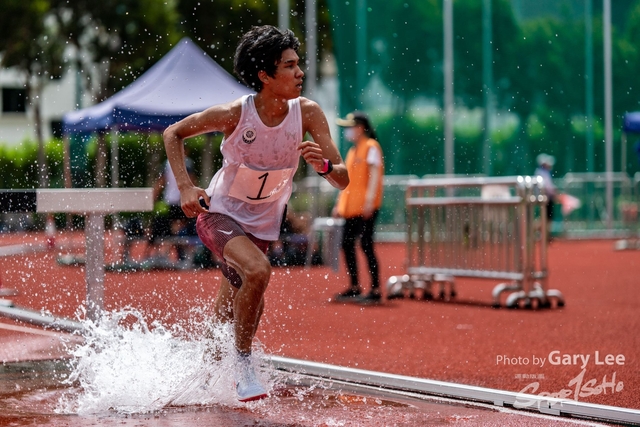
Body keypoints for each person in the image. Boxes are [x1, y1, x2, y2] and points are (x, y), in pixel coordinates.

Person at [162, 25, 349, 402]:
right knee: (259, 272)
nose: (300, 73)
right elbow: (173, 133)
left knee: (233, 299)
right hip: (220, 214)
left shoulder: (308, 113)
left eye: (299, 65)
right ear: (265, 75)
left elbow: (343, 179)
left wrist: (325, 167)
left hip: (262, 225)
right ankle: (243, 364)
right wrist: (185, 186)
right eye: (290, 66)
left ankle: (203, 379)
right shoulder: (236, 114)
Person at [332, 112, 384, 305]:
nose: (348, 131)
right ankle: (354, 287)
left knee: (366, 244)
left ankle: (376, 289)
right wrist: (339, 203)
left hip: (365, 208)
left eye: (350, 126)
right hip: (351, 208)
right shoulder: (353, 151)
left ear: (361, 127)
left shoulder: (371, 147)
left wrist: (370, 201)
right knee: (346, 244)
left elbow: (375, 175)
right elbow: (348, 182)